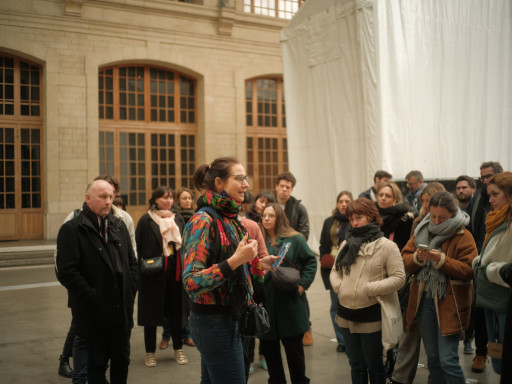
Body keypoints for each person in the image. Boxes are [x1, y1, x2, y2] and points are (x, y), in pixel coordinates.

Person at [181, 157, 276, 384]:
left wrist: (257, 264)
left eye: (246, 178)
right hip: (213, 321)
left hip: (228, 316)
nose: (246, 184)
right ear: (219, 183)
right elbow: (191, 281)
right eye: (239, 178)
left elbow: (232, 265)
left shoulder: (230, 219)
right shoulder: (202, 220)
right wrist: (235, 261)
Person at [56, 179, 138, 384]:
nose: (108, 201)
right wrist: (93, 297)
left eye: (111, 197)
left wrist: (129, 293)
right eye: (103, 196)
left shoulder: (119, 225)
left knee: (122, 363)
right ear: (88, 198)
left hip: (121, 314)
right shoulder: (72, 229)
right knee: (96, 366)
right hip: (94, 315)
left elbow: (132, 264)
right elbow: (67, 272)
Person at [402, 191, 477, 384]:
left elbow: (470, 269)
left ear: (453, 213)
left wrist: (442, 260)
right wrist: (418, 258)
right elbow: (404, 259)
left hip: (450, 303)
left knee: (448, 359)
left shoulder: (463, 235)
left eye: (441, 217)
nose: (435, 221)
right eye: (432, 216)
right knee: (433, 359)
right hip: (424, 300)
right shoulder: (421, 229)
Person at [330, 198, 405, 384]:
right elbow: (335, 271)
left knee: (374, 366)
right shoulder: (347, 244)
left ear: (371, 216)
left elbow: (399, 278)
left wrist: (370, 288)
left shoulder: (387, 246)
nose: (354, 222)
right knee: (355, 365)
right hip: (346, 314)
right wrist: (341, 287)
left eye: (359, 217)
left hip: (371, 315)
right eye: (351, 218)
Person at [390, 182, 445, 384]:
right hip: (416, 287)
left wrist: (440, 260)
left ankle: (436, 379)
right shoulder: (419, 222)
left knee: (436, 347)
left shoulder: (455, 227)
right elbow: (406, 255)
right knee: (409, 336)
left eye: (428, 201)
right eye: (423, 201)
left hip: (439, 292)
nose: (425, 205)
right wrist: (418, 258)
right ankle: (400, 378)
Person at [259, 203, 317, 384]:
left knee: (295, 354)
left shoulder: (295, 239)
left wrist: (302, 285)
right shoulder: (258, 240)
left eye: (271, 215)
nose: (266, 218)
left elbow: (310, 262)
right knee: (270, 353)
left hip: (291, 304)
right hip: (266, 305)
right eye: (264, 215)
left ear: (280, 218)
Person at [136, 186, 188, 367]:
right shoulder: (146, 220)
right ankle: (150, 353)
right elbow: (138, 247)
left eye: (171, 197)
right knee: (151, 315)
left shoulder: (178, 218)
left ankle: (178, 349)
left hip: (175, 271)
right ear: (155, 199)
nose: (168, 201)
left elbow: (185, 243)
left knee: (175, 312)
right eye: (164, 197)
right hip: (152, 274)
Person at [472, 171, 512, 376]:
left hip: (503, 298)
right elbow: (493, 251)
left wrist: (489, 270)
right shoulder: (495, 219)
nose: (491, 199)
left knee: (503, 363)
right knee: (498, 360)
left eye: (495, 194)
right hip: (491, 297)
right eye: (489, 194)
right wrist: (479, 262)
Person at [466, 160, 503, 373]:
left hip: (501, 271)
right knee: (480, 312)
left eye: (488, 176)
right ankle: (482, 354)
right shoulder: (480, 198)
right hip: (481, 261)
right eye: (482, 177)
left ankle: (497, 358)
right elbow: (473, 228)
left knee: (498, 319)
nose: (484, 180)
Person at [319, 190, 353, 353]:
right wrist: (323, 258)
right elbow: (323, 243)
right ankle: (341, 340)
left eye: (347, 201)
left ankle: (351, 338)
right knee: (335, 305)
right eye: (341, 201)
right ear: (337, 203)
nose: (344, 204)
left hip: (349, 268)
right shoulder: (329, 221)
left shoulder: (354, 221)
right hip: (332, 267)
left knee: (349, 304)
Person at [275, 172, 310, 239]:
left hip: (292, 245)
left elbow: (304, 234)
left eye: (287, 187)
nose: (284, 189)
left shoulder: (299, 208)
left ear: (291, 189)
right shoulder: (269, 205)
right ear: (276, 187)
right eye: (282, 186)